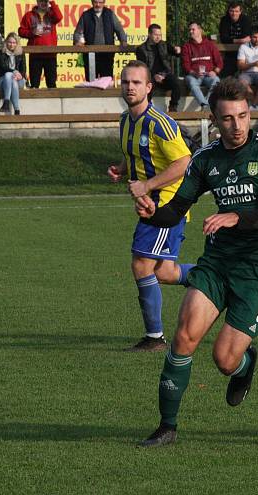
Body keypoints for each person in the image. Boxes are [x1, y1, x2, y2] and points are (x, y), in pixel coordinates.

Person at [133, 77, 258, 447]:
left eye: (242, 116)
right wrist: (151, 212)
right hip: (219, 260)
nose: (237, 125)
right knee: (184, 335)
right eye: (227, 119)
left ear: (249, 113)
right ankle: (167, 426)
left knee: (224, 360)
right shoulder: (206, 159)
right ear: (214, 118)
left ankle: (244, 364)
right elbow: (177, 208)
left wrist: (237, 217)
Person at [106, 60, 193, 352]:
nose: (130, 87)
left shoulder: (160, 122)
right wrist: (121, 169)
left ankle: (154, 338)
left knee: (141, 264)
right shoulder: (124, 120)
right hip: (150, 203)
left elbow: (184, 162)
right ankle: (218, 274)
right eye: (126, 82)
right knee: (164, 272)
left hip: (164, 205)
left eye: (136, 83)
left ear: (149, 88)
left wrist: (147, 186)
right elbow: (135, 156)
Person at [73, 0, 128, 81]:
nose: (98, 5)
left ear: (104, 2)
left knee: (106, 81)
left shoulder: (110, 14)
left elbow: (119, 29)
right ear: (92, 2)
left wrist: (123, 40)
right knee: (91, 82)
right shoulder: (86, 15)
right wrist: (77, 41)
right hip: (90, 55)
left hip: (107, 55)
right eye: (96, 2)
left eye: (100, 2)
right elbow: (78, 32)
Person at [136, 24, 181, 112]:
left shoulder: (164, 45)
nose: (158, 37)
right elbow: (143, 68)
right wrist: (154, 76)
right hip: (151, 75)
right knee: (147, 86)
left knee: (176, 83)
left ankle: (173, 107)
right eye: (156, 35)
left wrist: (178, 50)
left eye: (160, 35)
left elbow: (176, 53)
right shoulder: (141, 49)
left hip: (165, 74)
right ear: (149, 34)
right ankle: (145, 110)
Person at [18, 0, 62, 88]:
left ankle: (52, 101)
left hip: (50, 55)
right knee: (34, 84)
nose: (43, 3)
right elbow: (21, 31)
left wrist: (52, 3)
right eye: (41, 1)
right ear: (37, 2)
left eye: (46, 1)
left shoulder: (51, 14)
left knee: (51, 83)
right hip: (35, 55)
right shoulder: (29, 15)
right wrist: (32, 33)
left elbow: (59, 17)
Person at [181, 21, 223, 112]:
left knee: (216, 80)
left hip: (208, 75)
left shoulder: (210, 45)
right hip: (194, 76)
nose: (191, 31)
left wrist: (215, 72)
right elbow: (185, 65)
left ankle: (206, 105)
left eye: (193, 29)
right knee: (191, 81)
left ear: (200, 30)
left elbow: (219, 62)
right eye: (190, 30)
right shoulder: (186, 46)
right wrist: (194, 73)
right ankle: (204, 104)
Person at [218, 1, 252, 77]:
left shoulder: (245, 20)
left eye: (236, 11)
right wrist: (240, 40)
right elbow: (223, 38)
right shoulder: (224, 20)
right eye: (231, 11)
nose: (234, 13)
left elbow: (247, 37)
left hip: (244, 52)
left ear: (240, 12)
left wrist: (232, 40)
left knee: (247, 73)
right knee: (225, 75)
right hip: (228, 52)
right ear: (228, 11)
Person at [0, 33, 26, 115]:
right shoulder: (1, 52)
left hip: (19, 79)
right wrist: (14, 72)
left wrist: (20, 75)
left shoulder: (21, 53)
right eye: (10, 42)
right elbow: (2, 67)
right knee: (9, 75)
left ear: (17, 43)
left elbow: (23, 70)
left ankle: (6, 103)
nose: (12, 45)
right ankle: (17, 110)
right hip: (2, 80)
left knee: (13, 80)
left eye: (14, 42)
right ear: (6, 42)